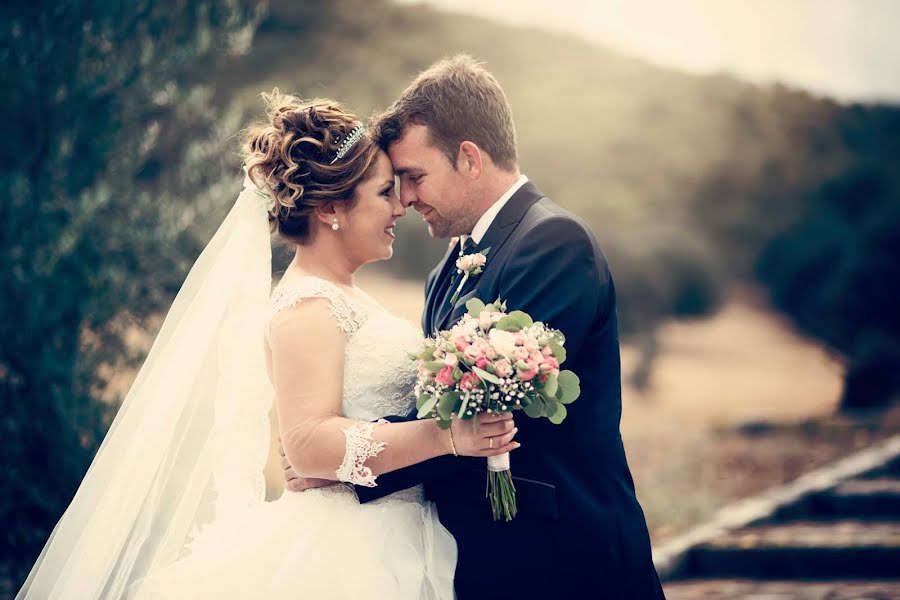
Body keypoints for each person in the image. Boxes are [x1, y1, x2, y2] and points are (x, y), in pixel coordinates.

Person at [16, 92, 520, 599]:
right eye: (384, 193)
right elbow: (307, 445)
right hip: (352, 557)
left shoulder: (343, 296)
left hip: (400, 529)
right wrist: (444, 436)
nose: (399, 207)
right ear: (330, 209)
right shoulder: (307, 307)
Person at [284, 55, 666, 599]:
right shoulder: (445, 271)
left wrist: (342, 461)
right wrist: (333, 449)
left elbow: (485, 406)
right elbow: (438, 400)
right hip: (481, 558)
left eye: (414, 178)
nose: (406, 199)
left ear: (469, 158)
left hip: (565, 558)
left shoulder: (553, 242)